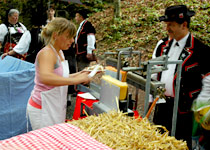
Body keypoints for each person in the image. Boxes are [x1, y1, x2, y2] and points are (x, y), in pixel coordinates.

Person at [152, 5, 210, 149]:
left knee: (181, 145)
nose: (167, 29)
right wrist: (151, 99)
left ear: (184, 25)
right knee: (158, 143)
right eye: (167, 25)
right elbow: (153, 73)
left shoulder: (201, 50)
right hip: (162, 107)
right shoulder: (162, 45)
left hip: (185, 112)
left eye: (171, 25)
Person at [27, 17, 91, 130]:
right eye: (68, 36)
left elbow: (60, 77)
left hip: (54, 105)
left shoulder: (59, 52)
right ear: (55, 35)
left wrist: (81, 74)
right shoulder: (47, 53)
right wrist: (76, 80)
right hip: (42, 108)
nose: (72, 40)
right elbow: (45, 77)